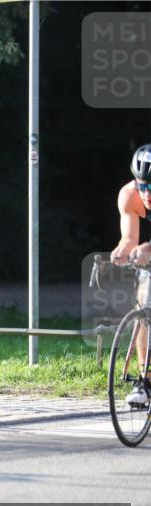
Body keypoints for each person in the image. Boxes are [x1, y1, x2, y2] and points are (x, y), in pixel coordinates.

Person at [109, 144, 151, 406]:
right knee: (145, 302)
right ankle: (144, 382)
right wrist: (121, 252)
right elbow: (129, 238)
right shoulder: (129, 195)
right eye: (143, 185)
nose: (146, 193)